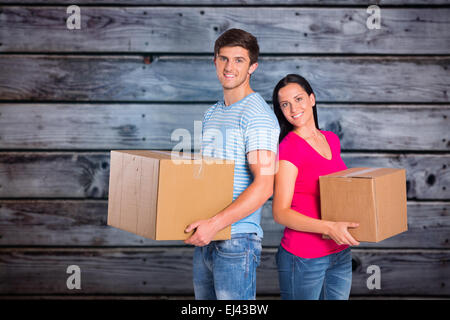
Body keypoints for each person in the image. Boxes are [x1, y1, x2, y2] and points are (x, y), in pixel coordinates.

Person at [183, 29, 280, 300]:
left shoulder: (257, 115)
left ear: (253, 67)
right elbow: (207, 178)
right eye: (224, 58)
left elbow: (264, 187)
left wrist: (215, 225)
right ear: (214, 61)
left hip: (236, 240)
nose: (229, 67)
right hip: (206, 235)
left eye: (239, 60)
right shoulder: (213, 113)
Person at [271, 74, 360, 300]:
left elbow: (337, 193)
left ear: (312, 99)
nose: (293, 109)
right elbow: (280, 212)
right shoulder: (289, 149)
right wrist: (329, 228)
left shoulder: (331, 139)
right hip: (303, 256)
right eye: (285, 104)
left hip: (340, 252)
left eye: (299, 99)